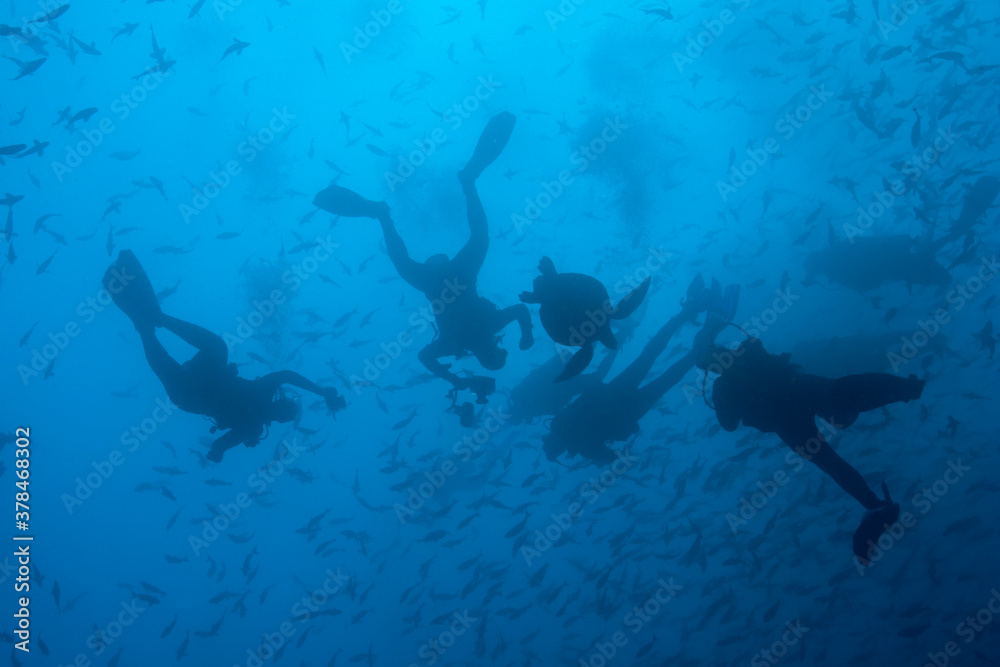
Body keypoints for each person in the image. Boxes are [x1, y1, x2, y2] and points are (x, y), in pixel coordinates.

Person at [313, 111, 531, 408]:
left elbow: (425, 356)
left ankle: (383, 214)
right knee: (479, 238)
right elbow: (519, 310)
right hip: (461, 279)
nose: (491, 352)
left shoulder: (459, 343)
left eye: (490, 357)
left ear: (484, 357)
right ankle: (467, 182)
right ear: (494, 351)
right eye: (496, 354)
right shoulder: (485, 329)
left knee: (411, 262)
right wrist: (526, 335)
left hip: (439, 285)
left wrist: (453, 379)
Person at [697, 334, 925, 565]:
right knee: (842, 392)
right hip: (797, 387)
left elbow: (729, 424)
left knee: (829, 462)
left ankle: (874, 506)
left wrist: (723, 394)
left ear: (710, 368)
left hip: (784, 418)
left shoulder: (722, 385)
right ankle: (906, 388)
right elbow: (764, 350)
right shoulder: (747, 353)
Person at [103, 250, 345, 462]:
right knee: (215, 349)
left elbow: (285, 376)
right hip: (197, 388)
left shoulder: (258, 410)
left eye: (287, 402)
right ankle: (152, 325)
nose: (284, 398)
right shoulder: (253, 425)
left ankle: (151, 325)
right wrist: (218, 452)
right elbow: (220, 445)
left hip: (192, 394)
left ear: (281, 405)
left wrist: (321, 391)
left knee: (216, 348)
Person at [543, 276, 737, 465]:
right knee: (649, 356)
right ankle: (690, 311)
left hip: (629, 409)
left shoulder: (584, 447)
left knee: (668, 377)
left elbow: (617, 457)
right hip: (614, 393)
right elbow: (585, 398)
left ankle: (706, 334)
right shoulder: (562, 424)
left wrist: (611, 451)